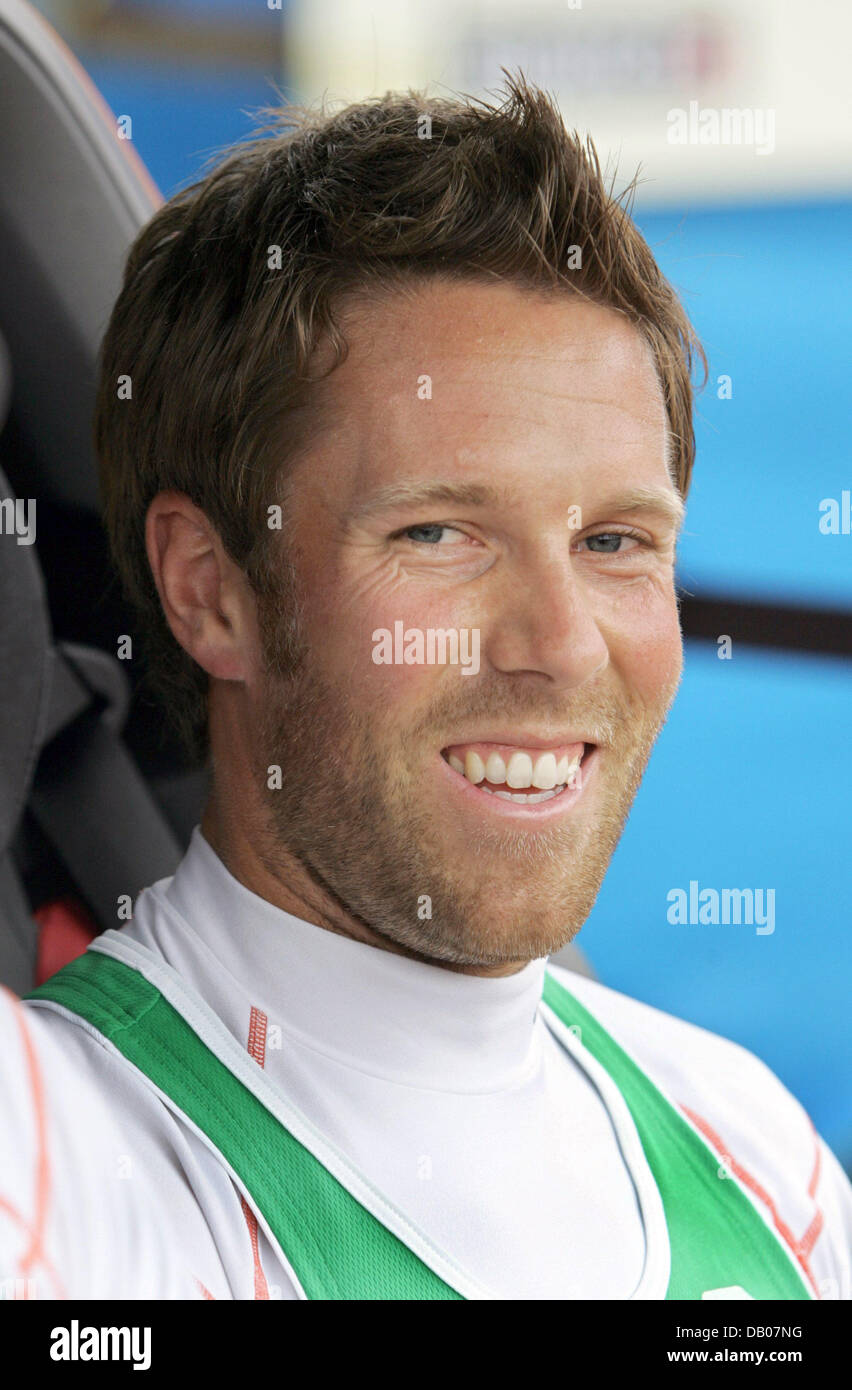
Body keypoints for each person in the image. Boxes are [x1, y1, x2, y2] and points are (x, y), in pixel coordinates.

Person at [5, 73, 851, 1300]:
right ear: (210, 589)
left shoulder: (755, 1152)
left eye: (615, 541)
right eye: (441, 535)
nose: (560, 646)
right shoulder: (74, 1175)